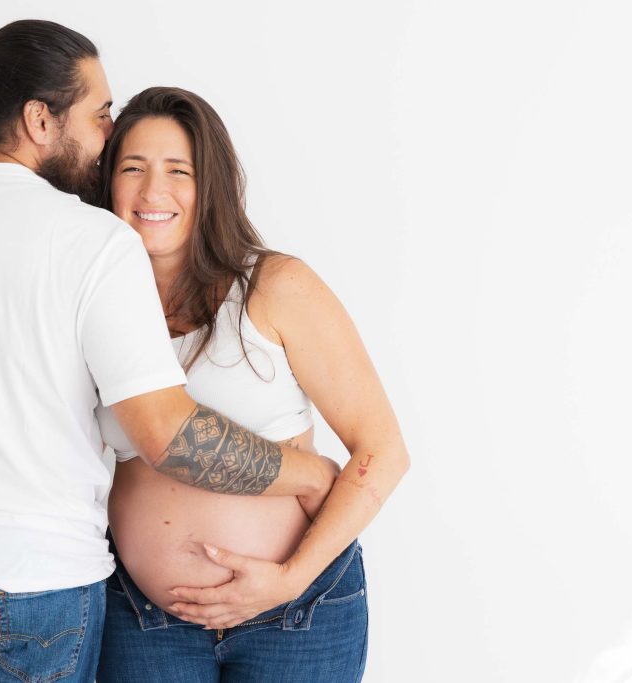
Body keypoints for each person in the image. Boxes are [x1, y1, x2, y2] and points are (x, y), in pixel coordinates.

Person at [0, 21, 337, 682]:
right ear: (39, 120)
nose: (110, 135)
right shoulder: (95, 242)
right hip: (39, 593)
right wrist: (305, 472)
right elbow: (167, 432)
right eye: (101, 114)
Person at [93, 87, 410, 682]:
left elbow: (384, 452)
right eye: (132, 168)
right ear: (108, 181)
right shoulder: (92, 305)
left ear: (208, 185)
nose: (152, 191)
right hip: (143, 620)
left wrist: (289, 580)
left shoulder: (275, 286)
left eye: (178, 171)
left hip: (298, 615)